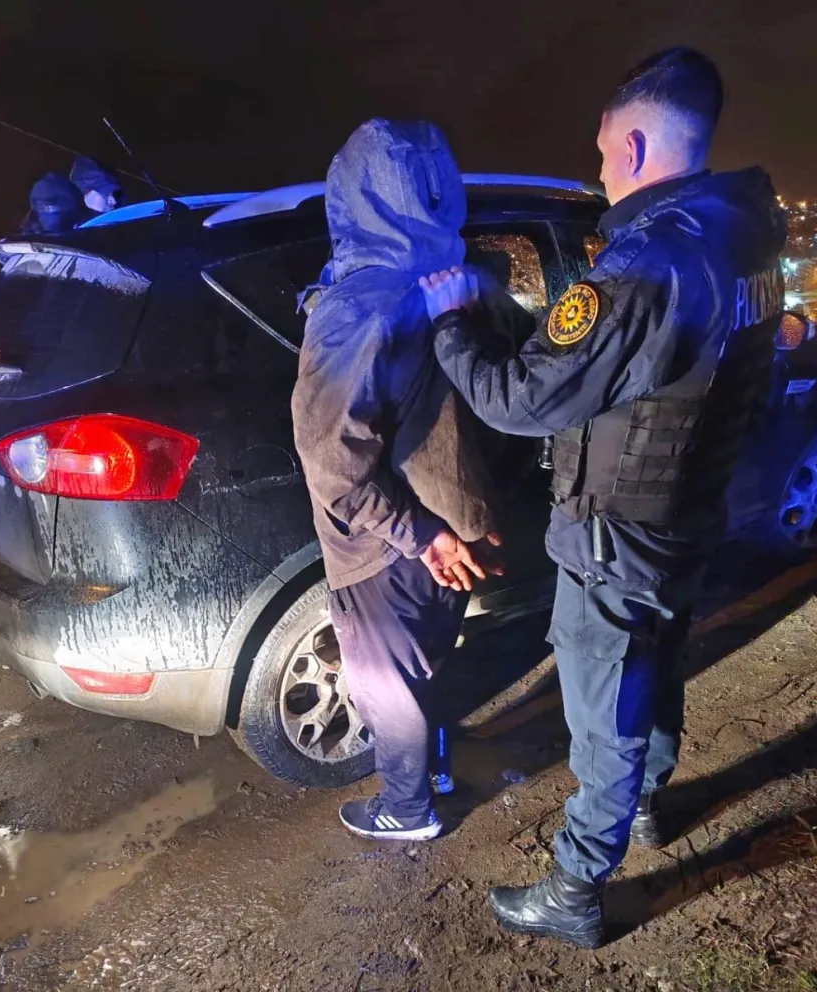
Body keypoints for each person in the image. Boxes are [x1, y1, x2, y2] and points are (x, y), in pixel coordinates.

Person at [420, 48, 787, 946]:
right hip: (685, 509)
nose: (594, 168)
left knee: (605, 709)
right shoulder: (743, 229)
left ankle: (577, 887)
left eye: (597, 150)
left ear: (631, 142)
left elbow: (522, 399)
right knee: (651, 667)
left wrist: (450, 317)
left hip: (619, 529)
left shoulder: (647, 260)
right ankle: (649, 809)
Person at [291, 118, 503, 843]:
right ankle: (435, 770)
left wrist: (421, 535)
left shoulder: (357, 306)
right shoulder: (455, 279)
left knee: (388, 685)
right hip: (452, 524)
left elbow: (332, 463)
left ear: (350, 194)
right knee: (425, 663)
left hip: (394, 545)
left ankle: (407, 810)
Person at [21, 172, 89, 235]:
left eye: (50, 208)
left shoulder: (87, 228)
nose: (46, 210)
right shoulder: (29, 237)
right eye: (42, 208)